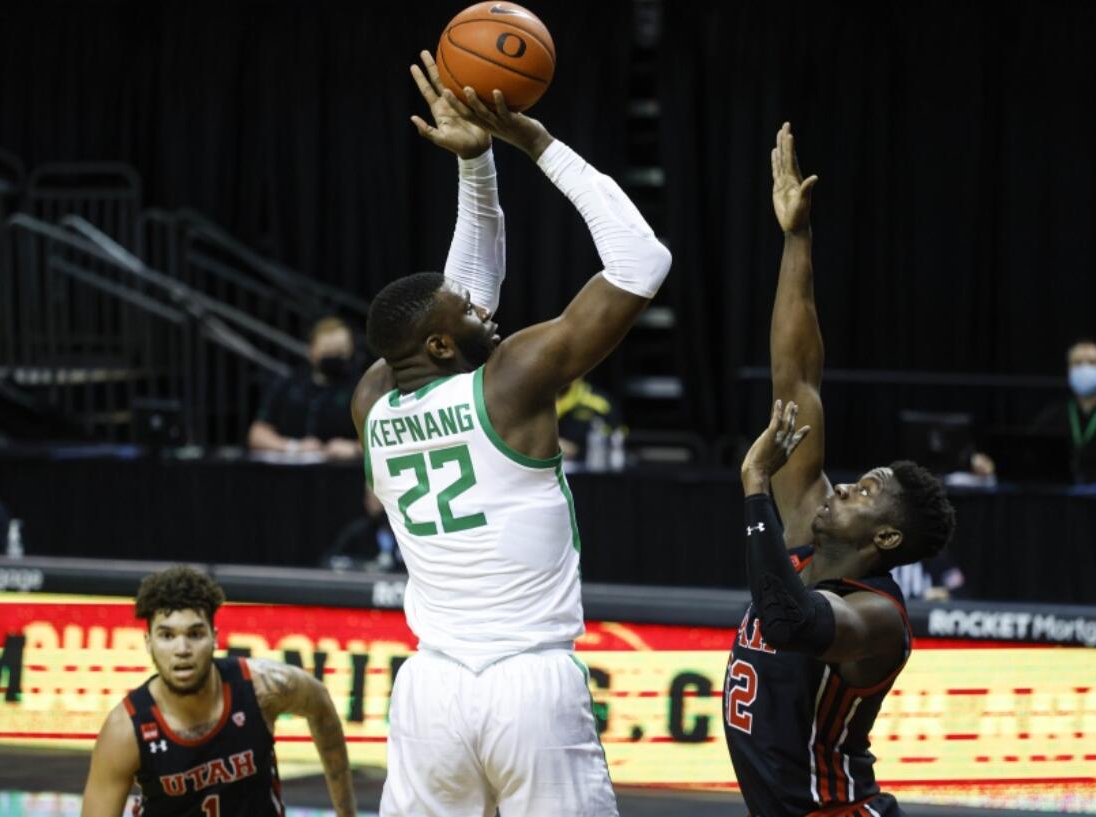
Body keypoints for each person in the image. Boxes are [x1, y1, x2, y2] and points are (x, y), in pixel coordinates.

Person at [351, 52, 670, 816]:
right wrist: (537, 144)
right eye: (466, 318)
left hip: (430, 689)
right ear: (437, 346)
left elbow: (463, 299)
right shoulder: (513, 380)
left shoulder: (370, 400)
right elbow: (642, 261)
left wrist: (475, 165)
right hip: (527, 680)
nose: (483, 311)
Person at [723, 124, 955, 817]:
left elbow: (791, 620)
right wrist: (796, 239)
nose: (849, 484)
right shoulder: (804, 525)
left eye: (867, 491)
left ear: (884, 538)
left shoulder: (877, 617)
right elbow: (797, 376)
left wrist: (755, 487)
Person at [81, 566, 356, 817]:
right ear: (148, 643)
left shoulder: (262, 688)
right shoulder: (126, 730)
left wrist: (346, 813)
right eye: (167, 636)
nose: (182, 649)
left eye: (195, 634)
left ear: (215, 636)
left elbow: (320, 703)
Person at [247, 317, 363, 459]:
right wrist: (293, 446)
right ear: (312, 351)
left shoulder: (361, 389)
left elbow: (383, 437)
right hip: (292, 473)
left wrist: (355, 447)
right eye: (327, 350)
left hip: (341, 472)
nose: (333, 357)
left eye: (340, 351)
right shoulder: (289, 385)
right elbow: (257, 433)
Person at [1028, 338, 1096, 483]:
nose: (1085, 369)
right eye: (1077, 364)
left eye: (1092, 363)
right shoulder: (1050, 418)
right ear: (1068, 370)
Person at [557, 376, 624, 461]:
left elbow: (618, 443)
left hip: (587, 468)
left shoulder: (600, 404)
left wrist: (577, 450)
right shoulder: (538, 400)